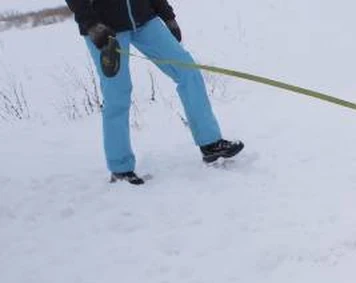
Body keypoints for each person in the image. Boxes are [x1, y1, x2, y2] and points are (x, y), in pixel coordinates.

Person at [65, 1, 244, 184]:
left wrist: (167, 15)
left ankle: (210, 143)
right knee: (117, 94)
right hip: (105, 27)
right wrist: (91, 24)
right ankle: (120, 168)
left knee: (188, 71)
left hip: (144, 18)